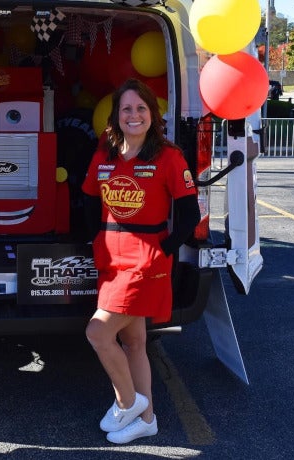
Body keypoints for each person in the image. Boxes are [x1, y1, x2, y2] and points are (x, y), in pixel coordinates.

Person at [81, 79, 200, 445]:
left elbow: (189, 216)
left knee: (98, 332)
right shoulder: (105, 154)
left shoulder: (168, 156)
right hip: (110, 260)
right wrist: (94, 238)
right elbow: (88, 199)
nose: (134, 115)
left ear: (153, 114)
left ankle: (128, 402)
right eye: (126, 109)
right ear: (116, 116)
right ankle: (146, 419)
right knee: (134, 340)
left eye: (141, 109)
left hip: (145, 262)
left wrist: (162, 250)